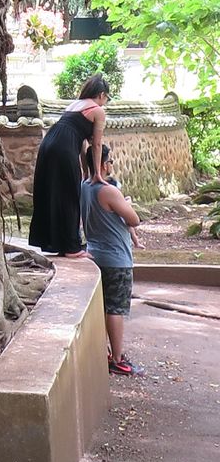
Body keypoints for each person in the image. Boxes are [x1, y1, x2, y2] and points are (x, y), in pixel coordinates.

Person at [28, 73, 110, 256]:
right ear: (102, 94)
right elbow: (95, 144)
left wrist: (84, 170)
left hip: (49, 144)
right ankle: (71, 247)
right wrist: (96, 173)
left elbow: (81, 143)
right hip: (63, 148)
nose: (105, 102)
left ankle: (55, 243)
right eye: (106, 98)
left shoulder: (74, 105)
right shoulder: (97, 110)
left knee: (53, 192)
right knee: (69, 195)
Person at [81, 143, 143, 375]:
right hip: (116, 258)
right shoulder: (107, 190)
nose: (111, 165)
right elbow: (134, 219)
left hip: (95, 254)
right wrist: (127, 204)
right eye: (110, 161)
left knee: (104, 306)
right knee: (116, 308)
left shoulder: (84, 186)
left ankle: (108, 352)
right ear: (103, 164)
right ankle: (117, 359)